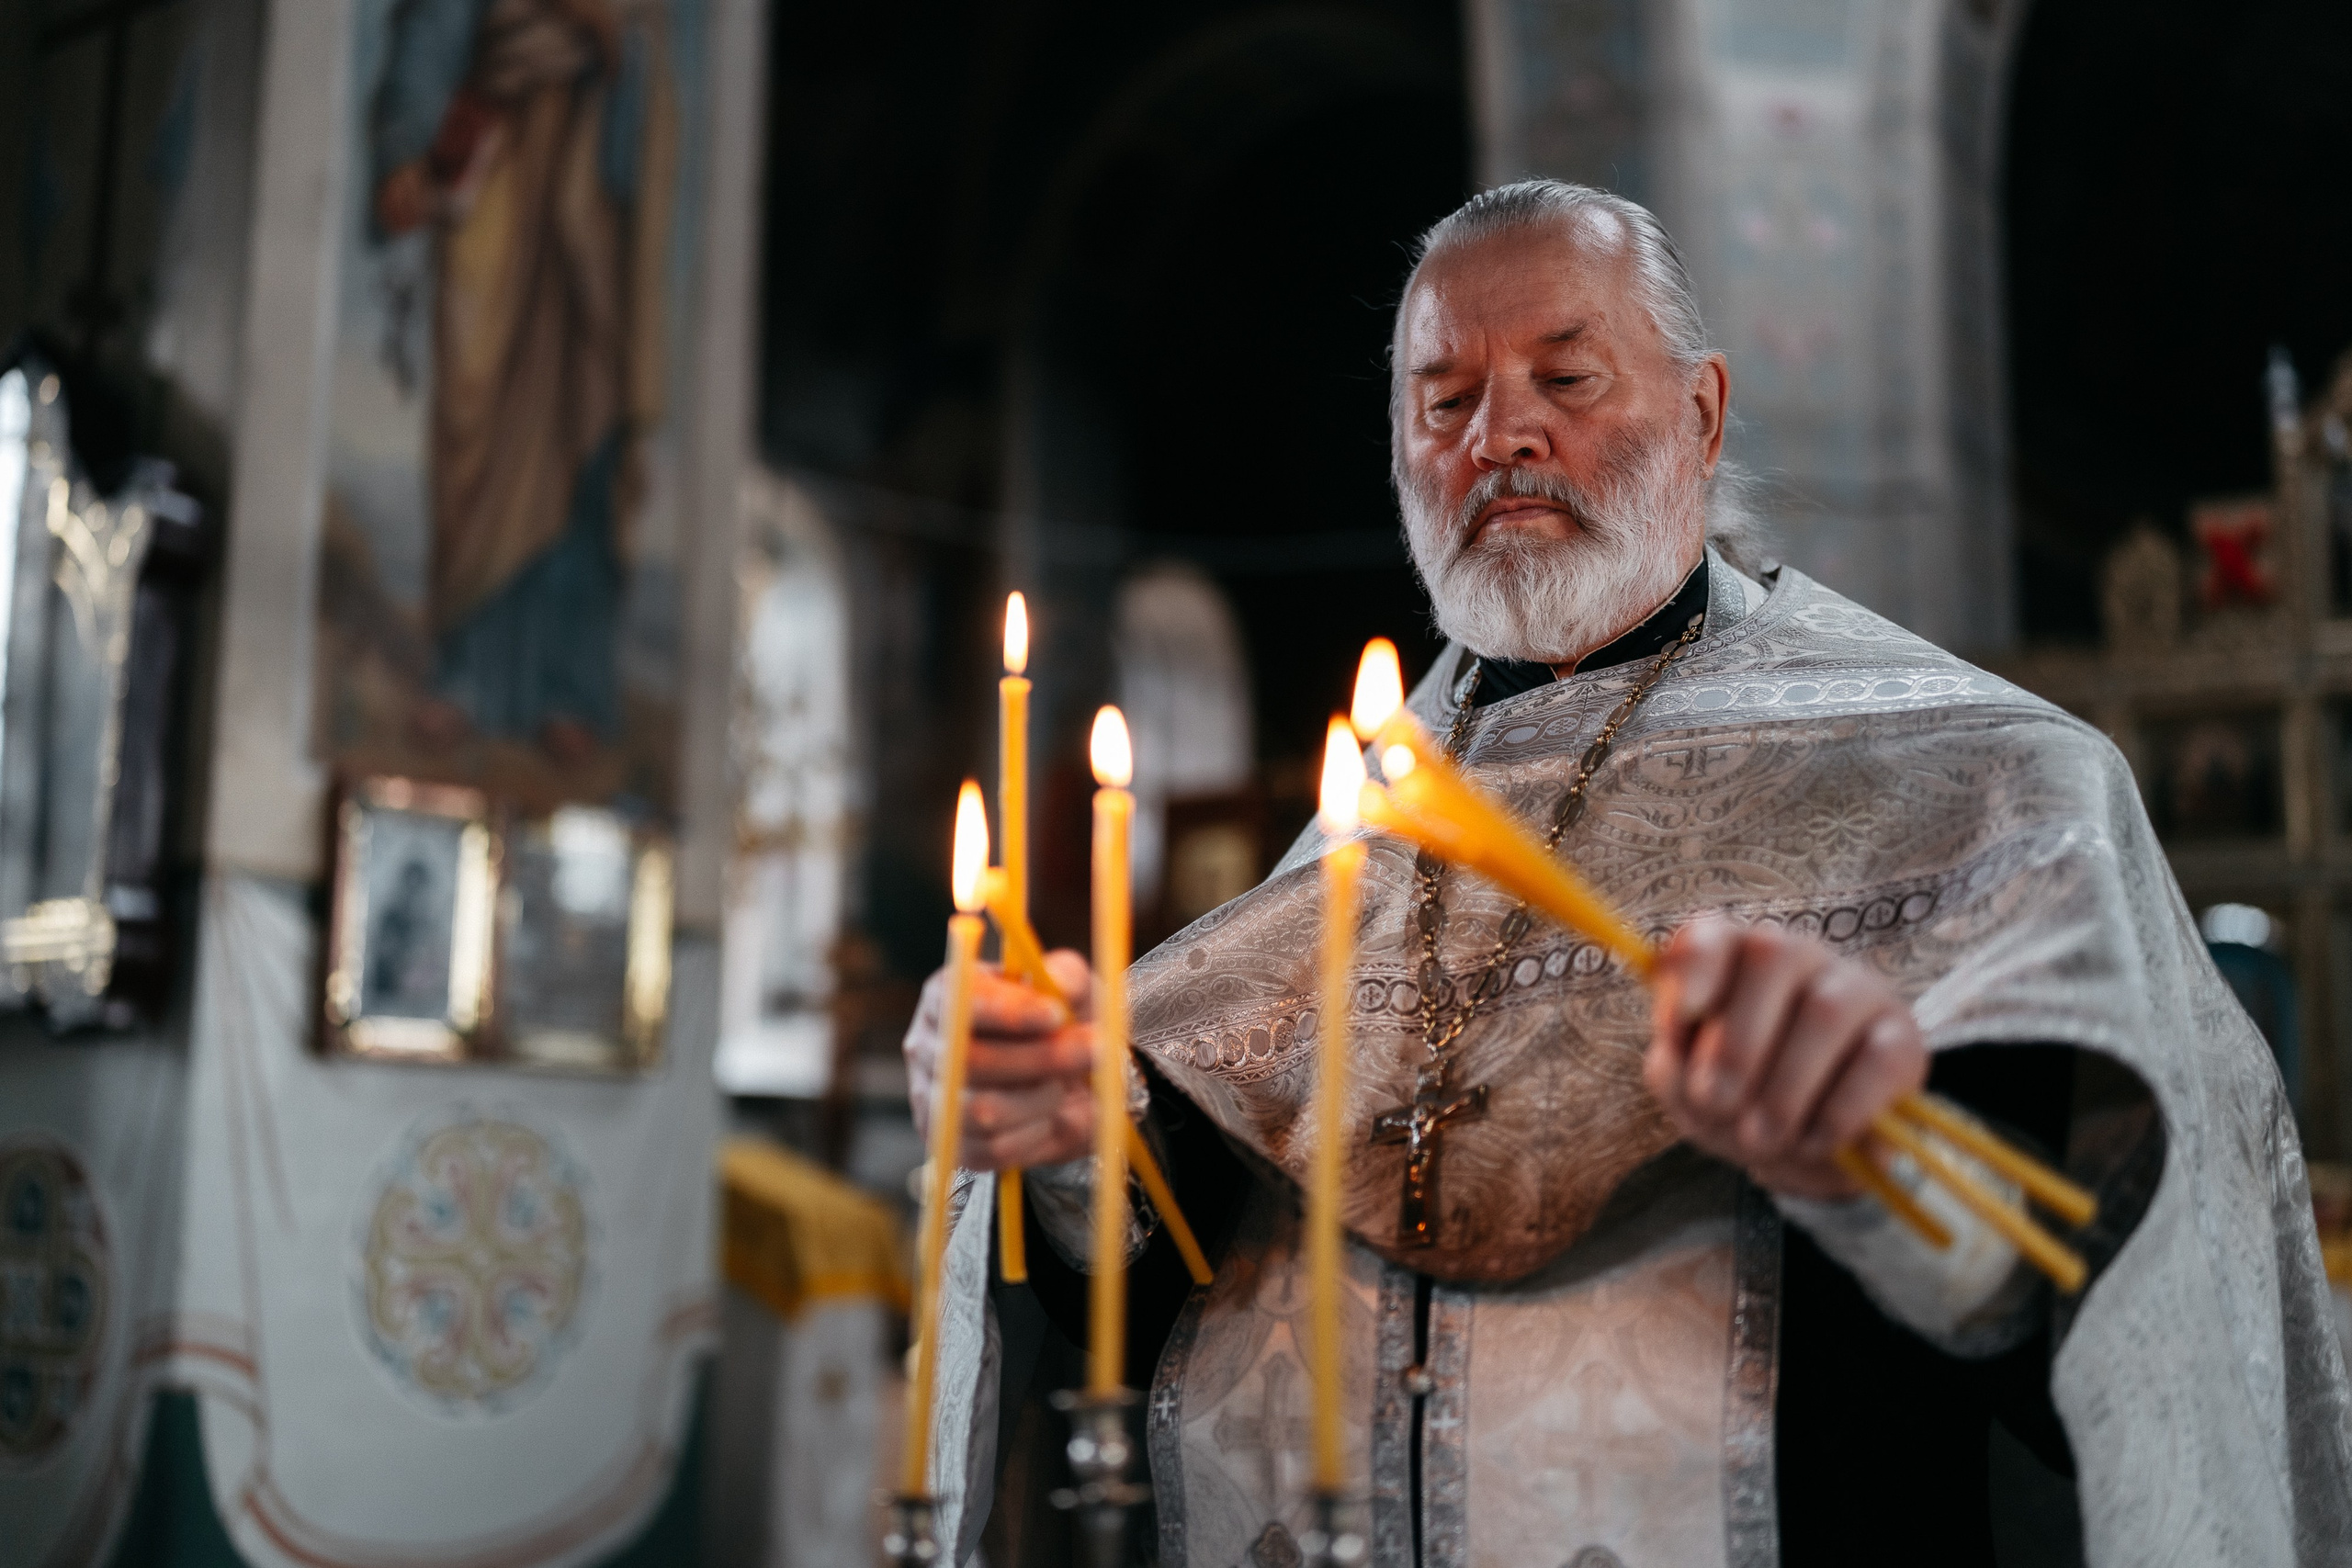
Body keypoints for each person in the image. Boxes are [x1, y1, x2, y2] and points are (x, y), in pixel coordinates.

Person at [904, 181, 2352, 1566]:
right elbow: (1174, 1286)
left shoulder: (1987, 785)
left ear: (1704, 412)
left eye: (1567, 379)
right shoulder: (1370, 817)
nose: (1500, 439)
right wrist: (1069, 1142)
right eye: (1444, 398)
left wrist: (1870, 1169)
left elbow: (2115, 1319)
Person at [369, 0, 675, 763]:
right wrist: (411, 148)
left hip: (586, 199)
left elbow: (649, 73)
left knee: (583, 435)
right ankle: (466, 670)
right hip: (497, 179)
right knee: (481, 431)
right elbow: (427, 39)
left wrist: (613, 44)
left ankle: (568, 686)